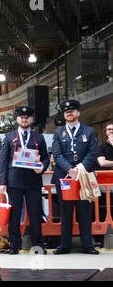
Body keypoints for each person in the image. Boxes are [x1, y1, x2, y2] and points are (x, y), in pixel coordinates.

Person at [0, 106, 50, 254]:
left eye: (27, 117)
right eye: (21, 117)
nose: (24, 119)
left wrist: (43, 167)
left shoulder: (38, 137)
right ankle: (14, 245)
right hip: (13, 181)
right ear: (17, 119)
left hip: (33, 181)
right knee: (14, 215)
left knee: (35, 214)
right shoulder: (9, 137)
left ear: (31, 119)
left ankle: (38, 245)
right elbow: (3, 161)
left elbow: (45, 157)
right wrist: (2, 183)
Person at [52, 99, 99, 255]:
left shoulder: (89, 131)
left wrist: (80, 168)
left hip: (84, 176)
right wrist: (70, 169)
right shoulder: (58, 133)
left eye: (72, 111)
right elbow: (57, 154)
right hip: (65, 177)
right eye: (66, 112)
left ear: (78, 113)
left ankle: (88, 245)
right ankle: (64, 245)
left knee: (85, 211)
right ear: (64, 115)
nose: (69, 113)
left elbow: (93, 152)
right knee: (65, 212)